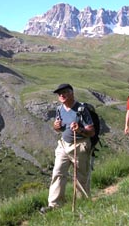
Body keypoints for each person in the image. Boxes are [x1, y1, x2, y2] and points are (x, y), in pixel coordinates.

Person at [41, 84, 95, 213]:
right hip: (63, 145)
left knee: (81, 176)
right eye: (59, 94)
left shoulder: (81, 109)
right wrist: (56, 126)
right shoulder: (60, 109)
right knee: (58, 172)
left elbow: (91, 131)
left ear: (71, 93)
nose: (61, 95)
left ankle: (82, 204)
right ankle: (54, 205)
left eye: (64, 92)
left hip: (79, 145)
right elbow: (59, 128)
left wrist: (80, 129)